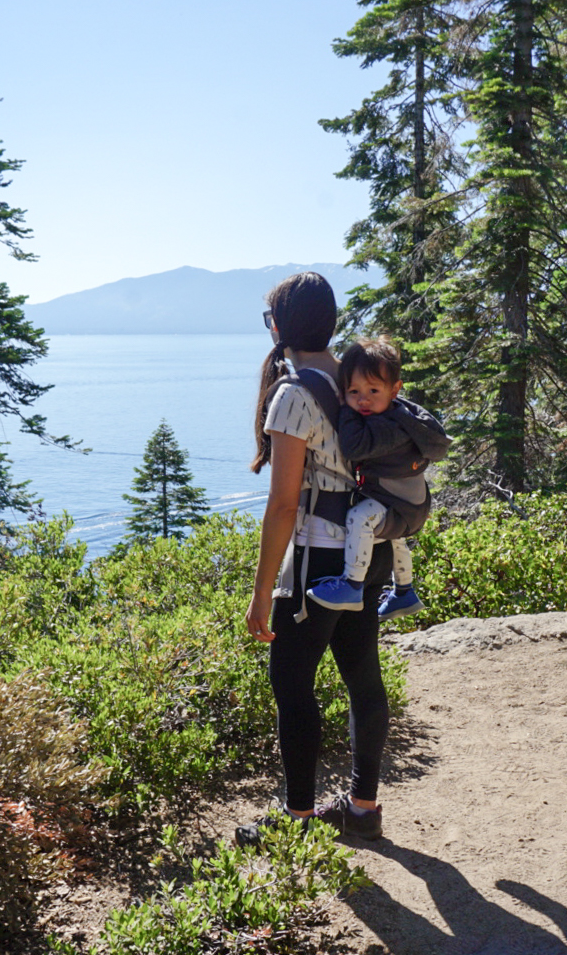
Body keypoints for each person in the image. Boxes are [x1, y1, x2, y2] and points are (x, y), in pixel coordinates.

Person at [238, 272, 389, 846]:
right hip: (366, 552)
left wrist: (260, 594)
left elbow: (282, 506)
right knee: (362, 676)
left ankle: (297, 820)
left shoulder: (293, 393)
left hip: (317, 564)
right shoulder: (353, 380)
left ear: (279, 327)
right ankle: (363, 808)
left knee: (292, 683)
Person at [306, 337, 450, 622]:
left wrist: (344, 409)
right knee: (393, 537)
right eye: (353, 391)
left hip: (398, 505)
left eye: (373, 390)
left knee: (359, 518)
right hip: (410, 504)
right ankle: (404, 591)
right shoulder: (404, 414)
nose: (364, 399)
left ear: (395, 389)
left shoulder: (389, 427)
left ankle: (351, 585)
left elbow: (354, 447)